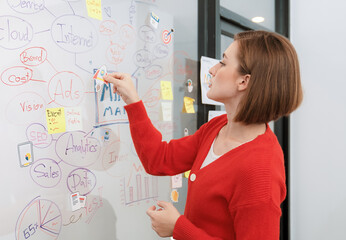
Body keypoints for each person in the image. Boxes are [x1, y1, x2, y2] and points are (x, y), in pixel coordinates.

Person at [104, 30, 303, 240]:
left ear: (244, 82)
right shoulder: (217, 127)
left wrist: (178, 227)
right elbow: (158, 159)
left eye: (223, 63)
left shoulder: (260, 169)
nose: (213, 70)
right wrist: (133, 101)